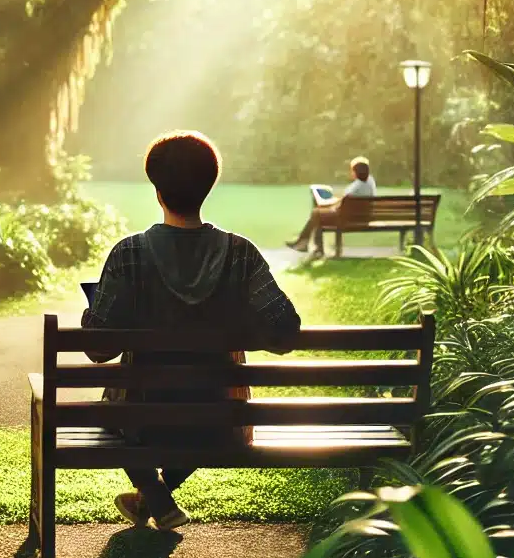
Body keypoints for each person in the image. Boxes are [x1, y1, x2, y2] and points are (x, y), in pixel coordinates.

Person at [82, 131, 302, 531]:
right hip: (218, 417)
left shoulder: (128, 254)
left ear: (157, 191)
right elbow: (284, 330)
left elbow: (98, 350)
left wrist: (93, 311)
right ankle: (158, 498)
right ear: (208, 187)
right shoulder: (242, 254)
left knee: (111, 410)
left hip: (143, 418)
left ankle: (155, 496)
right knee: (197, 409)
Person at [287, 156, 376, 257]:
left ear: (356, 172)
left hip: (350, 218)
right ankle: (307, 244)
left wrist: (325, 203)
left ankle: (307, 245)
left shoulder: (357, 186)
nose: (351, 173)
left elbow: (343, 202)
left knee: (316, 213)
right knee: (318, 214)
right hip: (363, 216)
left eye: (352, 171)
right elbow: (346, 201)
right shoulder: (370, 181)